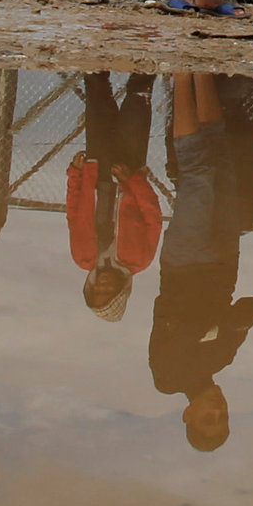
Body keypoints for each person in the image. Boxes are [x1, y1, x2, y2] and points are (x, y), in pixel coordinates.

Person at [149, 72, 253, 451]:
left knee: (198, 174)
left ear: (188, 416)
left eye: (209, 418)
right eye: (224, 416)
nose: (218, 409)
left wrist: (216, 327)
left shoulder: (168, 378)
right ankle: (203, 73)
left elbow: (182, 329)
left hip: (186, 262)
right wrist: (215, 328)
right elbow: (252, 307)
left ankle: (181, 74)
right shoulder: (221, 359)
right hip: (224, 259)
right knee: (222, 166)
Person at [66, 73, 167, 321]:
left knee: (98, 105)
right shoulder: (139, 260)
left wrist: (76, 175)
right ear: (121, 290)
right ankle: (147, 53)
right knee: (136, 105)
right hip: (128, 172)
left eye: (96, 290)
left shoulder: (82, 257)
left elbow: (73, 214)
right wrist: (132, 180)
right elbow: (153, 218)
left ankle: (97, 62)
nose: (103, 285)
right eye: (108, 291)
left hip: (96, 175)